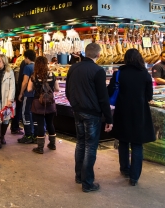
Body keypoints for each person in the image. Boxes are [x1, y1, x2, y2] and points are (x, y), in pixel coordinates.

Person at [65, 43, 113, 193]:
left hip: (77, 111)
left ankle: (79, 176)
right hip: (92, 113)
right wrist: (109, 118)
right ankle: (87, 183)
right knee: (90, 146)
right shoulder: (98, 71)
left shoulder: (73, 68)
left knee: (80, 143)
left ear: (85, 53)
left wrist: (74, 104)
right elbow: (103, 97)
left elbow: (67, 90)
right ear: (98, 55)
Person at [107, 49, 155, 186]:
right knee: (137, 144)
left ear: (126, 59)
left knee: (123, 141)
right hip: (140, 112)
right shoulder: (145, 74)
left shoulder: (119, 73)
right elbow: (149, 96)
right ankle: (134, 178)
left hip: (122, 111)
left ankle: (124, 169)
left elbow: (110, 91)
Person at [27, 56, 59, 154]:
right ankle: (52, 144)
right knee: (50, 123)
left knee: (40, 124)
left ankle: (40, 147)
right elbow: (57, 89)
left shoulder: (34, 76)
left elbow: (29, 89)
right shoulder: (52, 75)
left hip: (38, 103)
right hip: (50, 103)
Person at [17, 50, 37, 144]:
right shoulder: (37, 66)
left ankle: (28, 135)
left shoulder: (27, 67)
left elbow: (24, 82)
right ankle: (35, 135)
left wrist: (21, 93)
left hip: (28, 95)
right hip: (36, 95)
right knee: (34, 115)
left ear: (27, 57)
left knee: (25, 114)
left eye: (25, 57)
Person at [11, 59, 26, 135]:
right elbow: (18, 82)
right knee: (18, 110)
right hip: (17, 92)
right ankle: (14, 127)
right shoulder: (18, 71)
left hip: (16, 92)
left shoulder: (15, 70)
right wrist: (20, 93)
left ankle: (15, 126)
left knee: (17, 110)